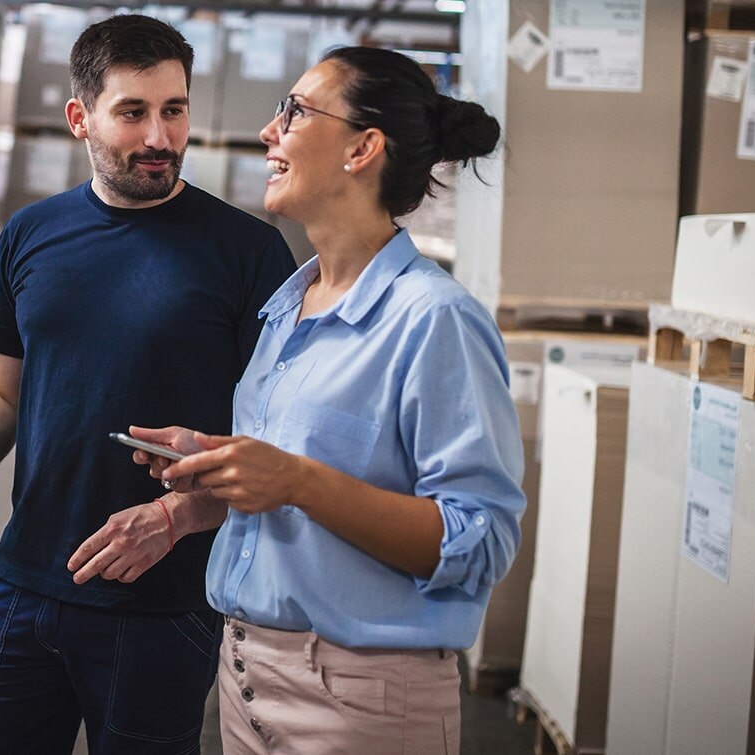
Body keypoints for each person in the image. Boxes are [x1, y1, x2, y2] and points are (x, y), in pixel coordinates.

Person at [0, 14, 296, 754]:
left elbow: (277, 441)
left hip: (161, 602)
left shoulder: (248, 253)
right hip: (23, 579)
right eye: (133, 112)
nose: (159, 137)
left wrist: (180, 511)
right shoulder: (31, 234)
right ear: (81, 118)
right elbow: (0, 389)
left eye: (173, 110)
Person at [129, 46, 524, 754]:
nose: (268, 131)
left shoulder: (433, 320)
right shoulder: (289, 310)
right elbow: (297, 492)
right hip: (246, 673)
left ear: (362, 149)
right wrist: (211, 484)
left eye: (296, 111)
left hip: (359, 699)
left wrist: (297, 479)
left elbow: (481, 542)